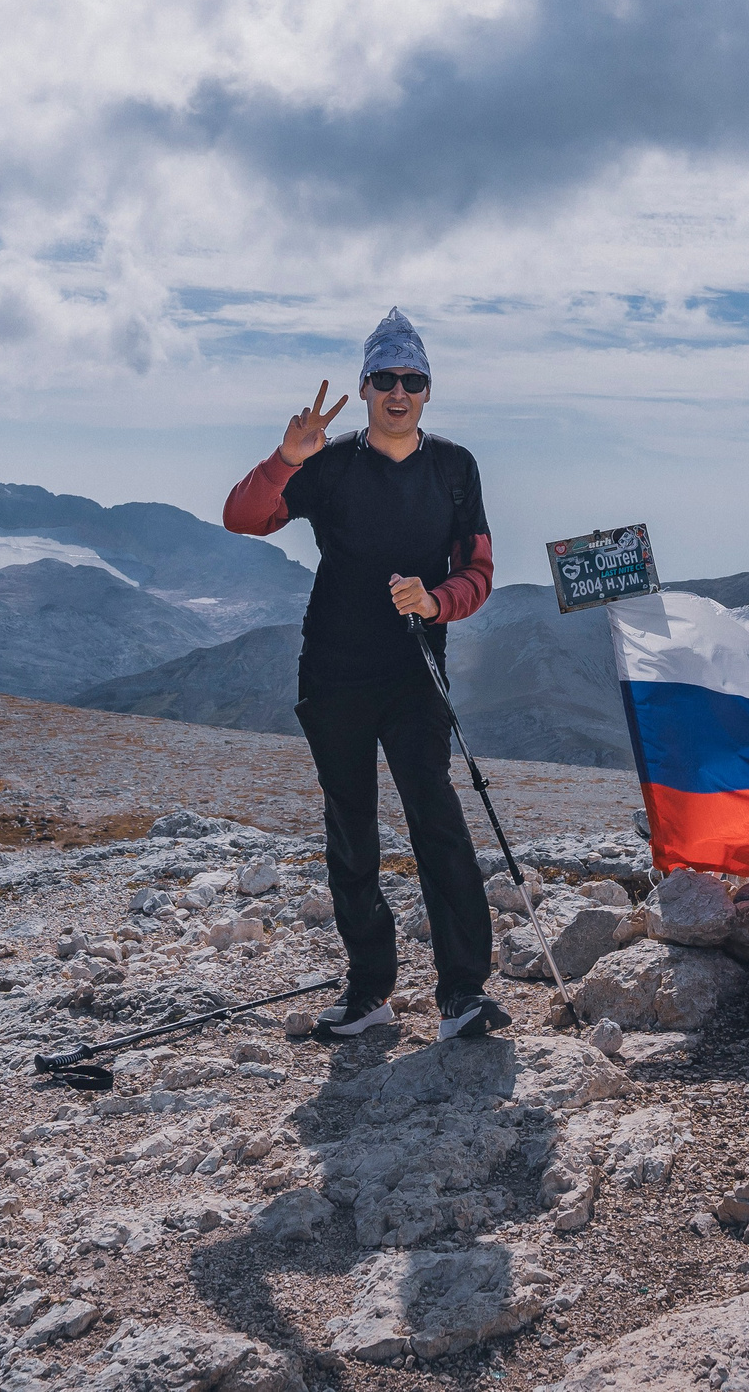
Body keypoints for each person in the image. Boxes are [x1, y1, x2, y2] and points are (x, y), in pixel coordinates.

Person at [223, 307, 506, 1043]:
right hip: (336, 672)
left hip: (415, 672)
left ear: (428, 390)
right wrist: (286, 456)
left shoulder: (455, 468)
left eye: (412, 378)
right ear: (367, 385)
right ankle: (369, 991)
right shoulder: (328, 463)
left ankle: (463, 993)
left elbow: (477, 570)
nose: (399, 390)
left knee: (436, 819)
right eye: (385, 377)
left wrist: (436, 600)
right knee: (351, 830)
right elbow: (243, 517)